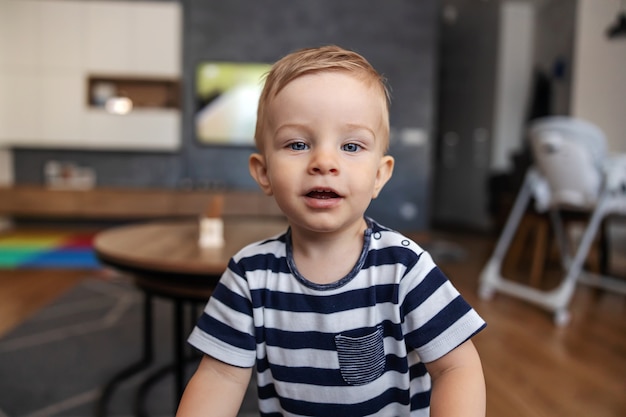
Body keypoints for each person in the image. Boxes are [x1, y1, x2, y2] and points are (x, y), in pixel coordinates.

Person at [176, 45, 486, 417]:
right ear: (263, 172)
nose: (324, 162)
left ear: (379, 175)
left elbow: (457, 367)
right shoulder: (249, 275)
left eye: (351, 145)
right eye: (298, 144)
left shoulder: (404, 268)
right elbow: (220, 377)